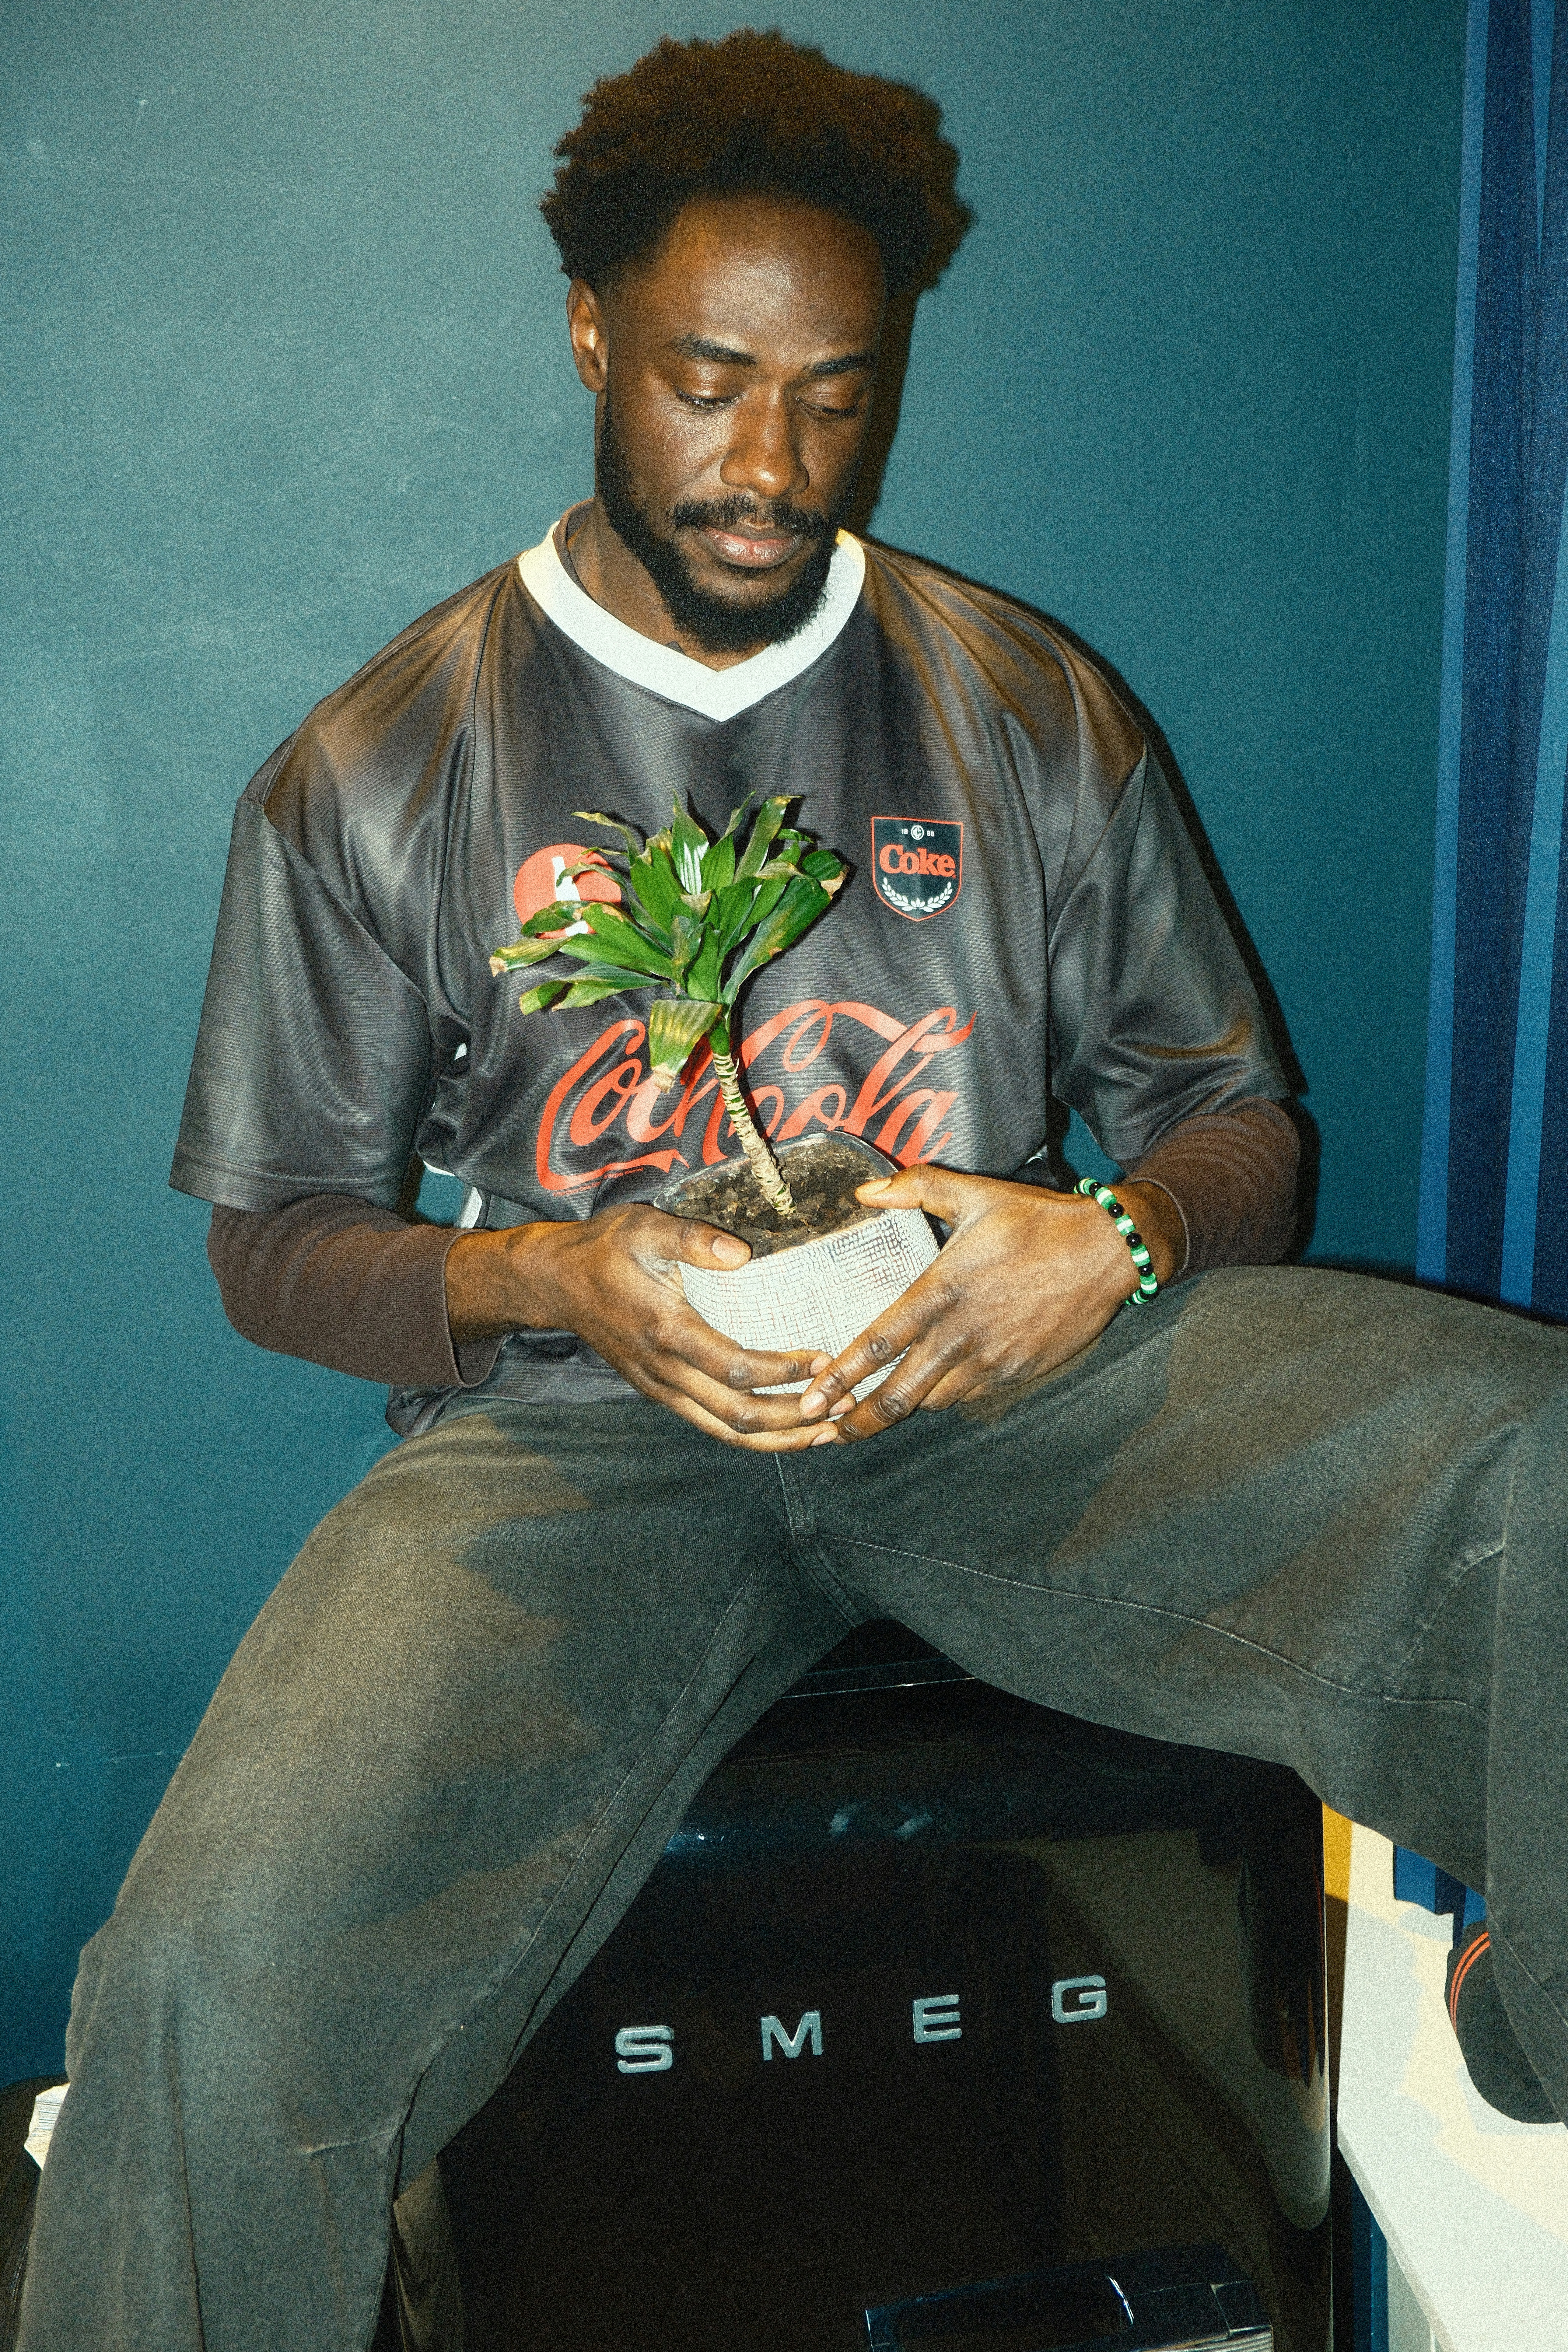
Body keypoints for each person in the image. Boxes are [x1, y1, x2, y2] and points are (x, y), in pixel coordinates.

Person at [16, 29, 1568, 2352]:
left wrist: (1107, 1241)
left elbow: (1241, 1128)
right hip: (571, 1448)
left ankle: (1531, 2024)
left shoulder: (1029, 710)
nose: (771, 463)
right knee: (203, 1984)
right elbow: (275, 1246)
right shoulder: (379, 765)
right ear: (591, 342)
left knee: (1533, 1453)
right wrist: (550, 1276)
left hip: (1001, 1377)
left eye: (837, 394)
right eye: (708, 381)